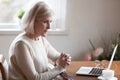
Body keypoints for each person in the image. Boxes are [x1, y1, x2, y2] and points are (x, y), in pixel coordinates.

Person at [8, 1, 71, 80]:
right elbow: (35, 78)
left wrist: (64, 58)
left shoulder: (40, 38)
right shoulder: (21, 45)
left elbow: (56, 56)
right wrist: (59, 68)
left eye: (50, 21)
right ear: (32, 22)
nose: (49, 27)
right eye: (45, 22)